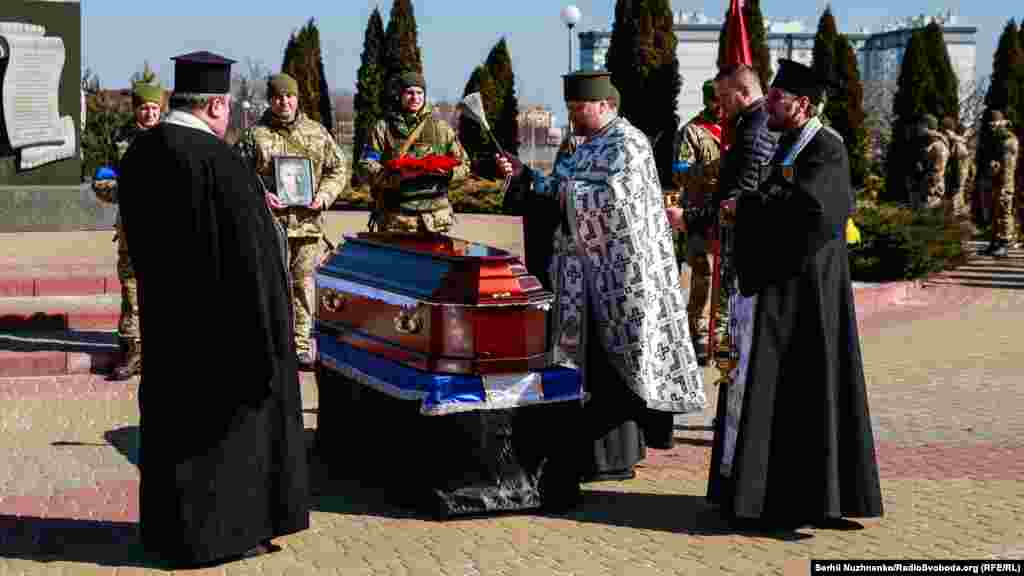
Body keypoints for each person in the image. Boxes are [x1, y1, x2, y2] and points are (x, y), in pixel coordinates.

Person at [117, 51, 309, 567]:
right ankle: (218, 538)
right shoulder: (223, 164)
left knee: (168, 433)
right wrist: (270, 335)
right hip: (226, 335)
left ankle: (166, 534)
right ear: (218, 105)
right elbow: (255, 262)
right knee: (220, 444)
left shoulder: (140, 156)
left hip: (166, 323)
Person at [497, 71, 706, 483]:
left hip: (621, 277)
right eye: (570, 108)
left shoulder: (628, 143)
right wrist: (525, 176)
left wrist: (564, 192)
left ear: (606, 105)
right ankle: (588, 455)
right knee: (589, 366)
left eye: (580, 108)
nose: (573, 115)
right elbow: (559, 185)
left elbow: (613, 200)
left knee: (615, 368)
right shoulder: (586, 144)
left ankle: (616, 457)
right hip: (582, 276)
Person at [706, 59, 883, 531]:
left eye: (778, 99)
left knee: (812, 393)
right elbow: (774, 198)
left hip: (810, 294)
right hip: (782, 289)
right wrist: (743, 208)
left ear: (802, 104)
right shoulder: (790, 144)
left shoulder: (826, 148)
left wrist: (745, 208)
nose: (770, 106)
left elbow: (814, 212)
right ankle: (775, 498)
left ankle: (805, 501)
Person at [234, 73, 348, 369]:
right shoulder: (254, 135)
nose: (283, 102)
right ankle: (269, 345)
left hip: (308, 227)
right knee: (268, 286)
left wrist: (323, 196)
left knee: (303, 286)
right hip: (270, 226)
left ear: (297, 98)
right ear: (270, 100)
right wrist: (260, 196)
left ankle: (299, 346)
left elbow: (338, 169)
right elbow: (236, 175)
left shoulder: (318, 133)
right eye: (277, 97)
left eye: (288, 96)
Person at [701, 64, 777, 370]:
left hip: (747, 248)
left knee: (740, 335)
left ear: (744, 93)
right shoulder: (750, 124)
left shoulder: (756, 129)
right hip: (740, 243)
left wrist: (694, 218)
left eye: (724, 96)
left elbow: (741, 195)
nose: (720, 104)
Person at [91, 77, 163, 381]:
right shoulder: (120, 139)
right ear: (135, 110)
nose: (148, 113)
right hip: (133, 230)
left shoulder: (173, 138)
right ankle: (133, 352)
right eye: (143, 108)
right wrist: (129, 190)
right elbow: (101, 181)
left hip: (169, 231)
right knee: (132, 291)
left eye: (153, 108)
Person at [359, 71, 470, 234]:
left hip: (435, 220)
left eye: (419, 93)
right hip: (396, 220)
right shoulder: (383, 128)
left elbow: (465, 166)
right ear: (400, 95)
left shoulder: (441, 128)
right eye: (409, 92)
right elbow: (365, 166)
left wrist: (448, 173)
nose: (415, 97)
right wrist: (395, 177)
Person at [668, 79, 723, 366]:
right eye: (716, 102)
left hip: (726, 213)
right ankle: (698, 330)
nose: (721, 108)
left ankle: (722, 331)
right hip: (700, 212)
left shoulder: (737, 129)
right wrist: (712, 170)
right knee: (705, 271)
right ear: (707, 101)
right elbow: (680, 172)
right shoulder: (692, 131)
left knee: (726, 274)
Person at [977, 110, 1019, 258]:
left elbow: (1007, 168)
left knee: (1003, 212)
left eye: (992, 123)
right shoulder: (996, 139)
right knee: (995, 215)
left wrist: (1003, 187)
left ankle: (1004, 243)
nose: (990, 126)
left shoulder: (1007, 140)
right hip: (995, 182)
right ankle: (994, 243)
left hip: (1003, 184)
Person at [921, 114, 950, 210]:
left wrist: (931, 187)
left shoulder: (938, 147)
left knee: (929, 216)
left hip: (933, 189)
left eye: (922, 125)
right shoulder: (933, 144)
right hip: (931, 186)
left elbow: (937, 170)